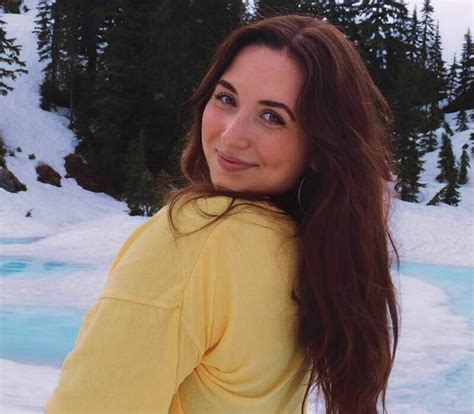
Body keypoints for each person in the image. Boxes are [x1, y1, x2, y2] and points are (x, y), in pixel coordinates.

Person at [45, 13, 400, 414]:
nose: (231, 135)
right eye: (227, 99)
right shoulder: (313, 249)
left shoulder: (196, 236)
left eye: (273, 117)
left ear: (319, 147)